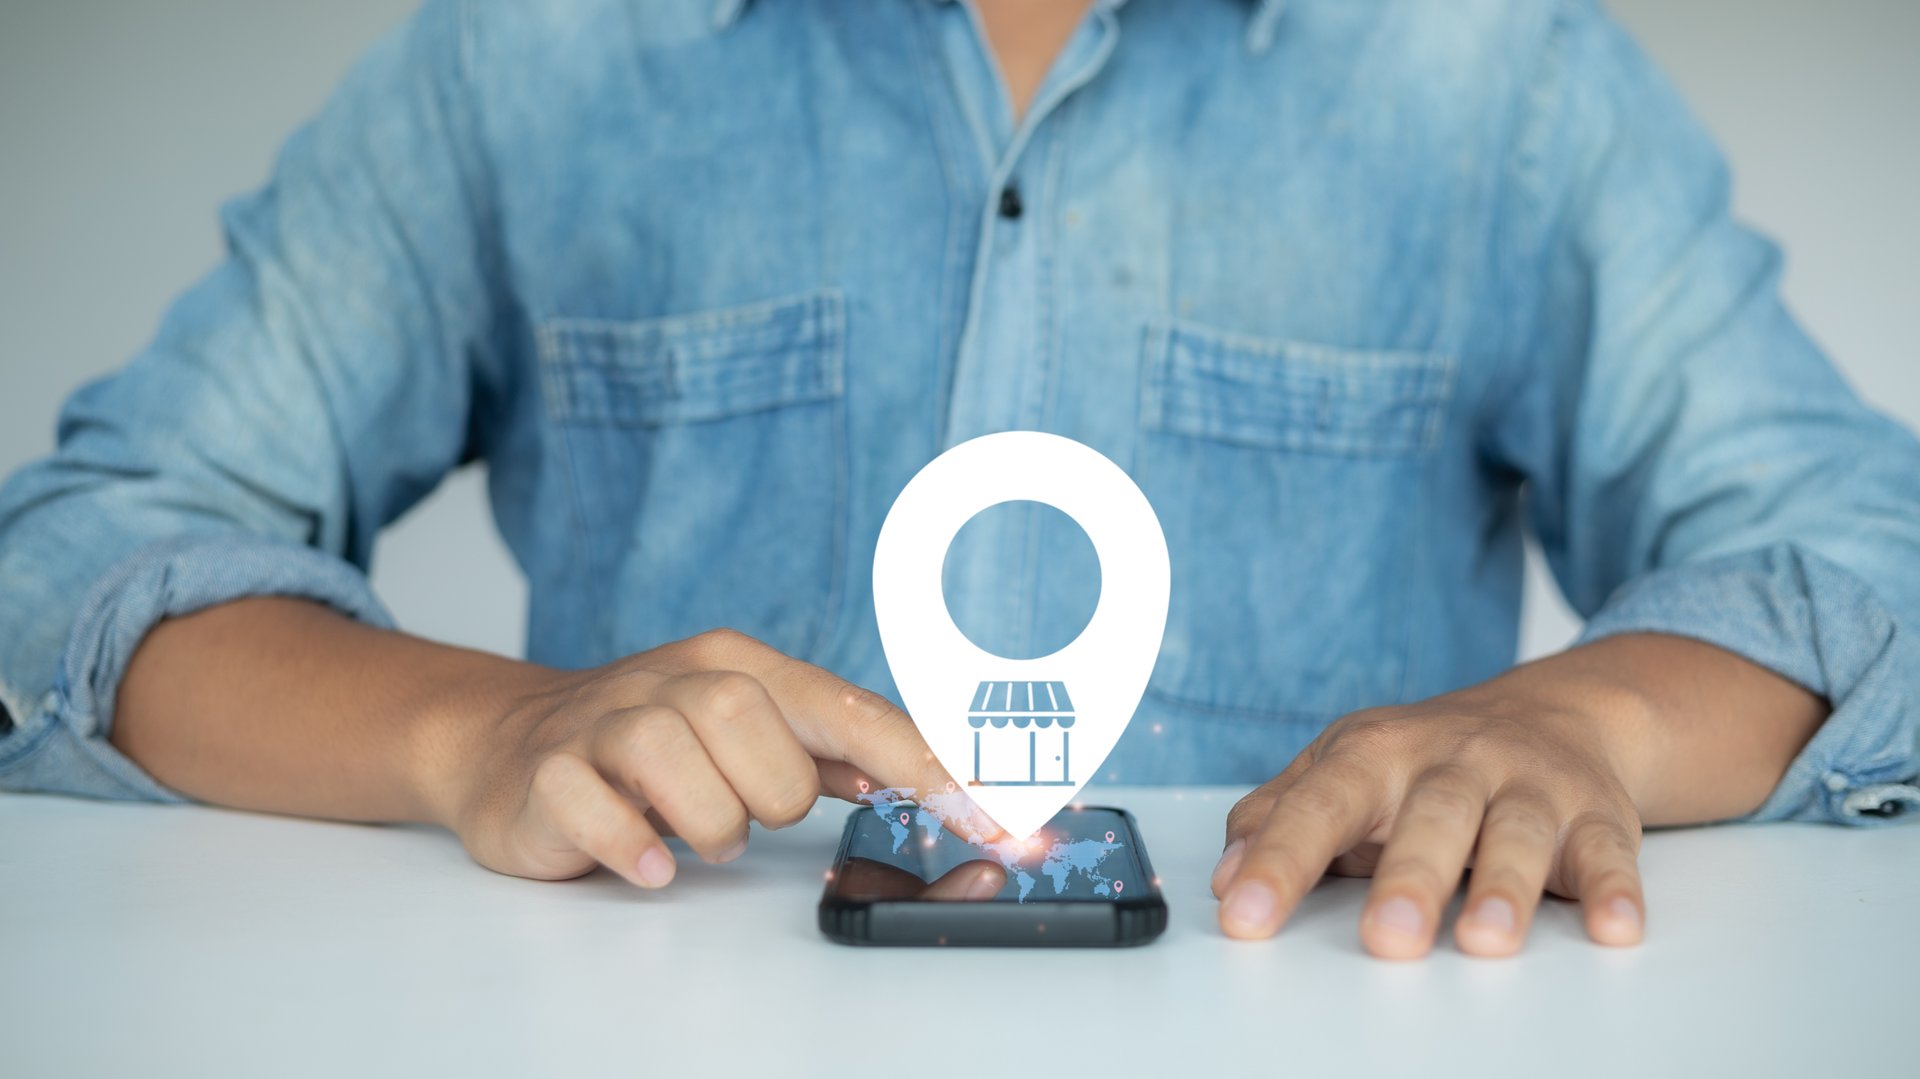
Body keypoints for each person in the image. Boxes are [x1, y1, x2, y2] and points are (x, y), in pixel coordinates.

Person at [2, 0, 1916, 961]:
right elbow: (78, 561)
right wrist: (474, 728)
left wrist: (1586, 720)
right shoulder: (540, 56)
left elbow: (1865, 557)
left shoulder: (1492, 74)